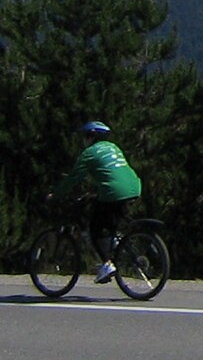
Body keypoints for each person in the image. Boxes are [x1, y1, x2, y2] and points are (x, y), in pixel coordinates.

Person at [51, 120, 144, 283]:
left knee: (94, 228)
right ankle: (116, 242)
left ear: (91, 136)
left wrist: (56, 194)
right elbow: (111, 173)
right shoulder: (114, 147)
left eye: (85, 136)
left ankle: (107, 264)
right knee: (106, 213)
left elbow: (74, 177)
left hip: (114, 192)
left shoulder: (89, 153)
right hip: (134, 187)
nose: (83, 140)